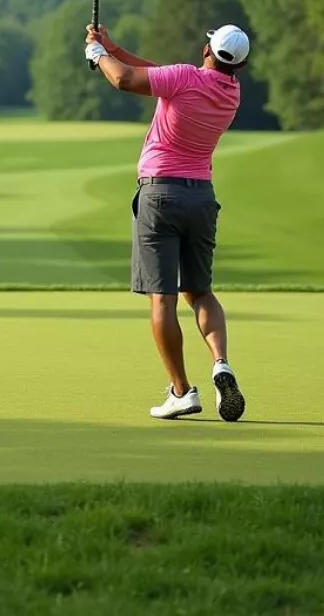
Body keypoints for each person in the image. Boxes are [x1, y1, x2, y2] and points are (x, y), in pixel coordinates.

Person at [84, 23, 250, 423]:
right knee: (201, 293)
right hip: (201, 197)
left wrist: (96, 56)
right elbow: (159, 72)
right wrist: (113, 46)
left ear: (207, 49)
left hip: (161, 196)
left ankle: (181, 392)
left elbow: (125, 80)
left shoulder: (184, 79)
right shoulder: (229, 92)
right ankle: (221, 364)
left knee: (163, 298)